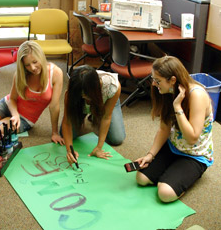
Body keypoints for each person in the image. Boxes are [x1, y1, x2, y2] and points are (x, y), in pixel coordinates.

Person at [135, 56, 214, 203]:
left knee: (165, 193)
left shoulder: (196, 95)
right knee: (141, 178)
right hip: (174, 146)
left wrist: (177, 107)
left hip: (194, 154)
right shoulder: (168, 90)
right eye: (153, 78)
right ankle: (172, 173)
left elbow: (192, 138)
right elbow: (164, 129)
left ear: (172, 80)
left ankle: (182, 178)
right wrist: (150, 155)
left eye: (157, 80)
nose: (153, 84)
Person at [0, 41, 64, 145]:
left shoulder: (55, 73)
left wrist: (55, 133)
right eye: (27, 65)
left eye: (35, 62)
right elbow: (12, 98)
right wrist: (14, 114)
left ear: (41, 57)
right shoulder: (20, 74)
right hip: (9, 105)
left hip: (24, 119)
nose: (32, 68)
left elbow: (54, 106)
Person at [62, 65, 126, 164]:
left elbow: (106, 117)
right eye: (80, 93)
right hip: (81, 107)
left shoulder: (112, 86)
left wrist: (99, 148)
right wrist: (69, 150)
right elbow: (67, 122)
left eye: (85, 93)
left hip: (104, 103)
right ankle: (92, 115)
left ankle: (95, 114)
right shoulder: (74, 88)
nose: (83, 96)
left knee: (117, 139)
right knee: (66, 135)